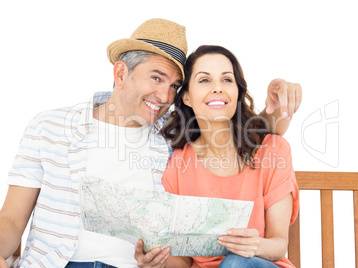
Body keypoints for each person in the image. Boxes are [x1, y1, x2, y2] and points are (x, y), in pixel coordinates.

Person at [0, 19, 301, 268]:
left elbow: (240, 132)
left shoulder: (171, 140)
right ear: (121, 73)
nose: (164, 96)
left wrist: (279, 104)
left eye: (172, 86)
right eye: (156, 78)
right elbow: (12, 220)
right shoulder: (50, 127)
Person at [154, 45, 298, 268]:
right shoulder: (178, 164)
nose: (218, 88)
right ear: (187, 98)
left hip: (255, 265)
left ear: (238, 92)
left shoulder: (273, 151)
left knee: (235, 264)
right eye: (204, 80)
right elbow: (182, 259)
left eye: (227, 80)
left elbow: (278, 245)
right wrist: (157, 262)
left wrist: (255, 246)